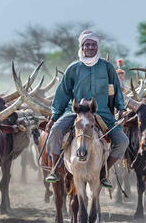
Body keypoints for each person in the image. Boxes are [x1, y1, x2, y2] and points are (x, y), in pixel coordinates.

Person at [44, 30, 129, 188]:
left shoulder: (107, 67)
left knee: (123, 141)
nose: (90, 47)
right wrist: (54, 116)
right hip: (75, 112)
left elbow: (114, 89)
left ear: (98, 47)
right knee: (55, 131)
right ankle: (55, 169)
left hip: (101, 113)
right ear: (81, 47)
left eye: (93, 44)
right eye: (87, 44)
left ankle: (104, 173)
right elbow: (63, 93)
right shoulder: (73, 68)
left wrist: (120, 107)